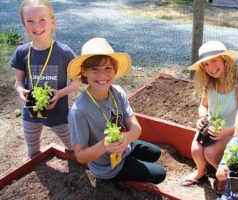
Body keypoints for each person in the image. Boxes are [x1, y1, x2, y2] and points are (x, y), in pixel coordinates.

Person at [67, 37, 166, 184]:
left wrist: (127, 138)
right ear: (84, 72)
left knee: (155, 152)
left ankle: (130, 159)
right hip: (107, 166)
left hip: (124, 146)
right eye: (95, 69)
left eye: (108, 68)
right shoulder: (79, 111)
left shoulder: (117, 92)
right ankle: (113, 179)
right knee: (160, 174)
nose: (102, 75)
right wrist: (104, 145)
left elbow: (136, 128)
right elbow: (80, 156)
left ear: (115, 70)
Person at [10, 0, 80, 158]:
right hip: (32, 107)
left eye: (42, 19)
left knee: (72, 146)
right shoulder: (22, 52)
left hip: (58, 110)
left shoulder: (64, 51)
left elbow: (76, 81)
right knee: (33, 149)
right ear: (24, 24)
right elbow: (19, 81)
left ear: (52, 21)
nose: (37, 26)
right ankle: (34, 160)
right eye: (30, 21)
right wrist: (20, 90)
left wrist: (60, 93)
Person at [179, 41, 238, 194]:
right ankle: (201, 171)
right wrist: (203, 117)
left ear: (225, 60)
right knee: (196, 150)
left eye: (214, 60)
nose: (210, 67)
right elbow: (203, 105)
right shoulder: (210, 84)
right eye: (205, 64)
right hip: (212, 127)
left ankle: (226, 176)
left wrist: (226, 132)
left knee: (210, 153)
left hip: (234, 129)